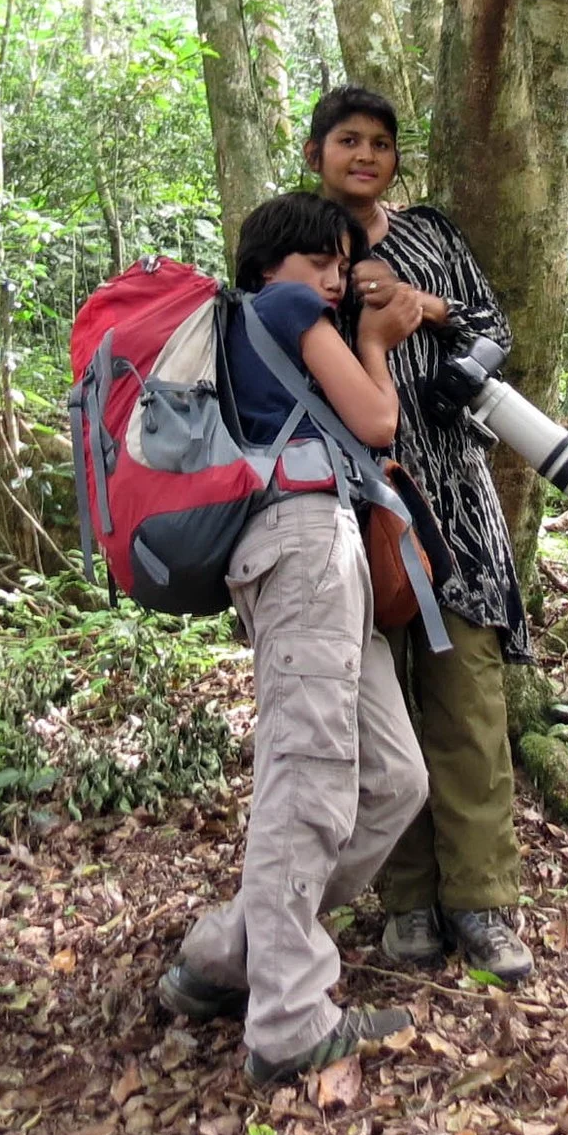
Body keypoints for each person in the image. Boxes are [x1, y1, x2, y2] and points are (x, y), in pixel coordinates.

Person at [156, 192, 432, 1084]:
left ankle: (228, 951)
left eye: (341, 261)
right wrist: (378, 343)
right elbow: (378, 418)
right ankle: (287, 1019)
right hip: (302, 544)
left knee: (393, 777)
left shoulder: (262, 329)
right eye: (322, 258)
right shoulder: (283, 307)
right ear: (274, 266)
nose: (336, 275)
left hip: (316, 547)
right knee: (308, 770)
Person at [304, 85, 536, 985]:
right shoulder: (298, 240)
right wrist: (354, 315)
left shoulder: (432, 234)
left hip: (456, 493)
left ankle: (482, 903)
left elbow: (492, 331)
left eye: (381, 143)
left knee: (467, 697)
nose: (365, 155)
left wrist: (421, 308)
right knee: (382, 702)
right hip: (358, 502)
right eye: (348, 140)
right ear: (318, 150)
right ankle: (406, 904)